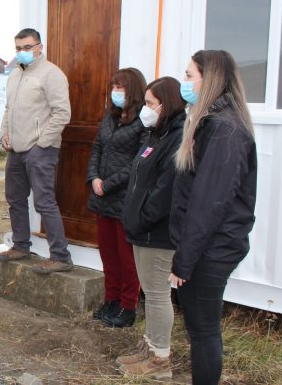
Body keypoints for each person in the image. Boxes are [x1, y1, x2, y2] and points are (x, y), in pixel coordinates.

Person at [170, 50, 257, 385]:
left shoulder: (224, 129)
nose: (185, 82)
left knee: (203, 331)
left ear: (211, 79)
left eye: (190, 75)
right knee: (198, 327)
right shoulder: (210, 123)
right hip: (204, 247)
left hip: (211, 249)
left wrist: (185, 260)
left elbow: (209, 203)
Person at [116, 77, 186, 379]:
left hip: (156, 232)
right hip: (141, 228)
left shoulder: (177, 137)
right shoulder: (156, 134)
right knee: (151, 291)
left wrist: (141, 217)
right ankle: (150, 346)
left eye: (149, 104)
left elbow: (165, 191)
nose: (145, 109)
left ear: (165, 104)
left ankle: (160, 361)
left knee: (157, 295)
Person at [0, 28, 73, 274]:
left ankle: (60, 256)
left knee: (44, 202)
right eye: (18, 48)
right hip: (16, 150)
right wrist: (4, 133)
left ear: (39, 47)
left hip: (41, 150)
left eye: (27, 48)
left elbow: (62, 112)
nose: (22, 53)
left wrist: (42, 144)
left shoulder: (52, 74)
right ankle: (21, 245)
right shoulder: (15, 74)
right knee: (15, 199)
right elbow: (9, 108)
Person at [86, 67, 147, 328]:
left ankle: (127, 306)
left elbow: (138, 161)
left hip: (124, 197)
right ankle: (111, 299)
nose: (115, 92)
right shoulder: (110, 116)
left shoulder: (143, 120)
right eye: (113, 87)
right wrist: (94, 178)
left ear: (132, 90)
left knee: (127, 258)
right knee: (108, 254)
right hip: (102, 197)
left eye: (120, 87)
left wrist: (108, 183)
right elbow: (97, 148)